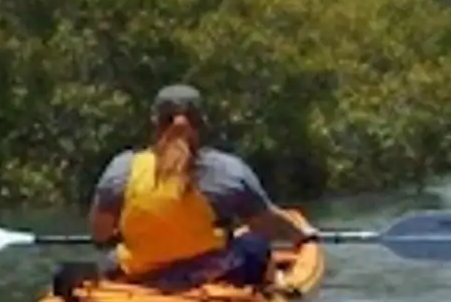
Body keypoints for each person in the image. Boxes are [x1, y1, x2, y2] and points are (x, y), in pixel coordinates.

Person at [88, 84, 311, 291]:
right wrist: (303, 236)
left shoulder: (121, 168)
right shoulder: (228, 170)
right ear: (202, 124)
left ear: (154, 125)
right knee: (254, 244)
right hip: (207, 276)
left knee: (108, 259)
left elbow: (100, 234)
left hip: (138, 273)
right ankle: (273, 285)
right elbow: (267, 224)